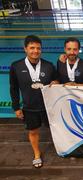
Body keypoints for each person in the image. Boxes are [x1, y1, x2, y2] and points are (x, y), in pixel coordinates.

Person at [9, 35, 57, 168]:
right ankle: (36, 154)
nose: (35, 51)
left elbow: (57, 80)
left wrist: (55, 81)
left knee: (54, 129)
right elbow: (13, 88)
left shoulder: (48, 65)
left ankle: (60, 148)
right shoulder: (16, 66)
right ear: (25, 49)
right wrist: (16, 107)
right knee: (33, 131)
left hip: (48, 106)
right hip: (29, 107)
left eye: (38, 48)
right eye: (32, 48)